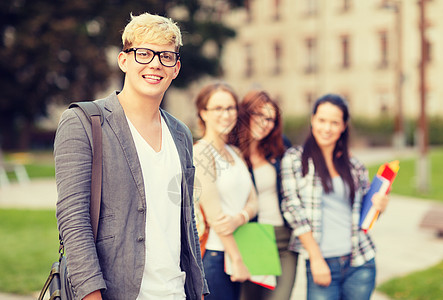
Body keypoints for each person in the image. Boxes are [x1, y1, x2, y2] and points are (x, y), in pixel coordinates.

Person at [54, 13, 208, 300]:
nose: (155, 64)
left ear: (176, 68)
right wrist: (91, 294)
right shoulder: (84, 122)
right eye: (144, 53)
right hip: (117, 292)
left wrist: (197, 290)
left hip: (176, 292)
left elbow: (186, 220)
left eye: (165, 57)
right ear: (124, 60)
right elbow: (73, 218)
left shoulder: (181, 134)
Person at [280, 94, 389, 300]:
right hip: (322, 261)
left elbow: (363, 215)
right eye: (322, 120)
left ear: (343, 126)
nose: (327, 128)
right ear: (313, 120)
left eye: (334, 122)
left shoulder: (354, 166)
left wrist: (379, 207)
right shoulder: (295, 159)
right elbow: (291, 209)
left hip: (360, 261)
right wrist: (316, 258)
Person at [228, 90, 298, 300]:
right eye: (259, 115)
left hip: (284, 237)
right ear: (246, 114)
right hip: (251, 237)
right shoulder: (230, 151)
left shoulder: (280, 146)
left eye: (271, 119)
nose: (265, 123)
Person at [193, 82, 258, 300]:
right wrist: (237, 260)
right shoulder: (201, 152)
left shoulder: (235, 152)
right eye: (218, 108)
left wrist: (239, 218)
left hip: (241, 249)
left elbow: (254, 201)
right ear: (203, 113)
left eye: (230, 108)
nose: (226, 114)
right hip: (216, 255)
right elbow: (216, 217)